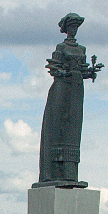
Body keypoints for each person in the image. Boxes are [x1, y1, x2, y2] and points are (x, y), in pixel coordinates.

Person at [35, 12, 103, 188]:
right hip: (61, 89)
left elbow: (84, 70)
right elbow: (54, 68)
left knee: (73, 131)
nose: (74, 30)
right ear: (66, 29)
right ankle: (54, 173)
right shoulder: (60, 48)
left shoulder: (82, 50)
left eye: (76, 27)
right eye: (71, 27)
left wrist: (89, 73)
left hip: (76, 91)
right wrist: (64, 73)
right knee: (57, 129)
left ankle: (70, 174)